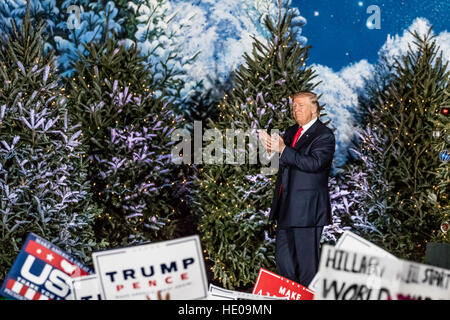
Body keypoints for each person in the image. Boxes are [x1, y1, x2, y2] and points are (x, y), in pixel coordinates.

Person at [258, 91, 335, 287]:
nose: (296, 109)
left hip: (308, 211)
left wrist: (283, 149)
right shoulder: (291, 131)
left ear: (314, 109)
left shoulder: (324, 135)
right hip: (286, 207)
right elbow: (285, 162)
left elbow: (314, 163)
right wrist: (270, 150)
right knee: (284, 262)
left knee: (307, 266)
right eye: (294, 106)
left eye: (301, 105)